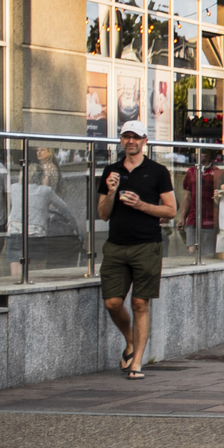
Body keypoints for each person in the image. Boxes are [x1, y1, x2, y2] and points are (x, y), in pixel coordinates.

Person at [98, 123, 177, 379]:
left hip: (147, 245)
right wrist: (111, 192)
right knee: (112, 302)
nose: (130, 141)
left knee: (140, 303)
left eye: (135, 137)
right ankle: (130, 341)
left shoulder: (158, 171)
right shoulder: (111, 171)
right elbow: (102, 214)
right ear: (121, 140)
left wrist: (141, 205)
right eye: (126, 136)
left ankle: (137, 362)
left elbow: (170, 210)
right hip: (116, 245)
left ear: (145, 141)